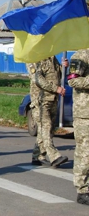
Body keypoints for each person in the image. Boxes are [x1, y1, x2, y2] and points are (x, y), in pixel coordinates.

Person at [27, 57, 68, 167]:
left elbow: (56, 73)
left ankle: (37, 155)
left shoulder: (52, 57)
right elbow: (38, 79)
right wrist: (56, 88)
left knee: (46, 130)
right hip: (41, 99)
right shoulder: (34, 58)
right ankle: (54, 156)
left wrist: (63, 67)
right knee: (46, 126)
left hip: (52, 98)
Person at [67, 48, 89, 206]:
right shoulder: (81, 55)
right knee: (85, 152)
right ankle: (82, 190)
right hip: (85, 113)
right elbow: (73, 80)